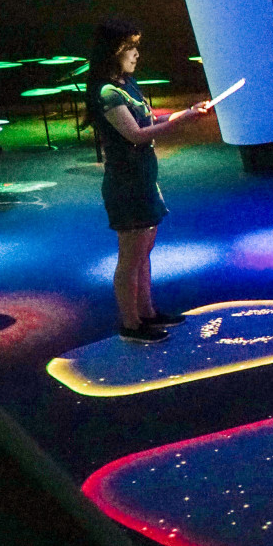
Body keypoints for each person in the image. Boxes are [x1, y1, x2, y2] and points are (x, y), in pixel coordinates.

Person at [84, 17, 210, 343]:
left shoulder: (127, 84)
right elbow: (137, 135)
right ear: (113, 51)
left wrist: (187, 112)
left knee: (144, 251)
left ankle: (148, 313)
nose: (136, 53)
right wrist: (183, 121)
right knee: (131, 257)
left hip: (143, 179)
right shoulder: (108, 92)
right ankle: (131, 323)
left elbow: (149, 121)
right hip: (126, 185)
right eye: (130, 47)